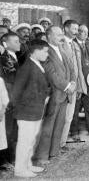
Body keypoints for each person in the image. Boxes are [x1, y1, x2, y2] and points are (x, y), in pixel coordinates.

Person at [34, 26, 75, 164]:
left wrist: (73, 82)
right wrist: (67, 86)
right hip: (53, 94)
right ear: (49, 36)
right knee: (48, 125)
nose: (61, 36)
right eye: (58, 35)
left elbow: (71, 68)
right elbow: (51, 74)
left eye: (62, 34)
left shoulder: (62, 49)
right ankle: (42, 156)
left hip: (64, 94)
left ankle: (53, 152)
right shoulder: (45, 51)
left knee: (59, 124)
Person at [12, 40, 50, 178]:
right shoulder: (27, 67)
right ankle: (20, 170)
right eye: (45, 51)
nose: (47, 54)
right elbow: (16, 91)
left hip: (35, 110)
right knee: (25, 141)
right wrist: (25, 106)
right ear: (36, 51)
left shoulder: (36, 64)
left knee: (31, 141)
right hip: (27, 112)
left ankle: (27, 164)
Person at [60, 20, 87, 146]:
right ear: (65, 28)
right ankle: (56, 145)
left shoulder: (74, 44)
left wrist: (79, 86)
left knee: (68, 118)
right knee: (60, 118)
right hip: (63, 87)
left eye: (77, 29)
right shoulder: (60, 43)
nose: (76, 32)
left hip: (74, 86)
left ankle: (62, 144)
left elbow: (79, 68)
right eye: (74, 29)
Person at [0, 32, 20, 164]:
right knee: (9, 130)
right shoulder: (5, 58)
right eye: (16, 41)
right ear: (6, 44)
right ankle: (7, 159)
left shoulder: (12, 56)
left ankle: (11, 157)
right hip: (9, 99)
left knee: (12, 129)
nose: (19, 43)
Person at [0, 77, 9, 167]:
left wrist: (2, 112)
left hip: (0, 115)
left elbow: (5, 99)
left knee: (1, 140)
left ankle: (2, 162)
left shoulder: (0, 81)